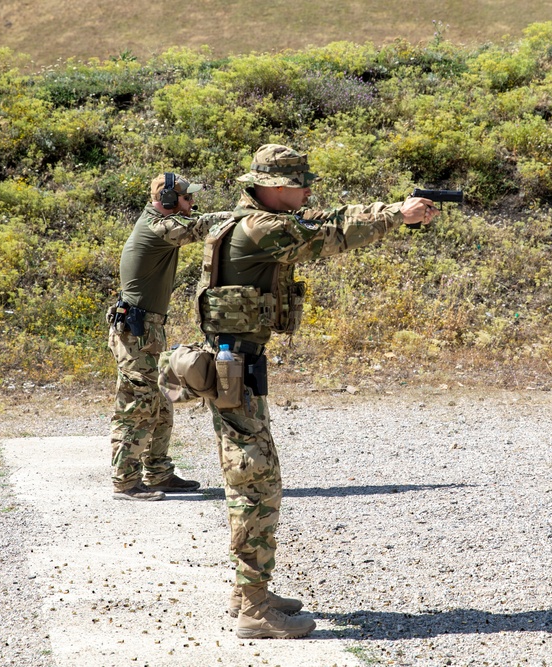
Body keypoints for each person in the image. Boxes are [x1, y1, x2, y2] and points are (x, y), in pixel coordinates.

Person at [195, 144, 438, 638]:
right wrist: (397, 214)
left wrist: (394, 211)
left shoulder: (252, 220)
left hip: (236, 367)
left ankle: (249, 592)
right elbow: (331, 231)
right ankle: (254, 610)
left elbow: (326, 216)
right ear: (273, 187)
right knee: (256, 486)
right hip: (234, 371)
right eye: (300, 182)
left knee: (254, 480)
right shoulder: (264, 229)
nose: (308, 189)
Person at [108, 172, 229, 501]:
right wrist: (243, 217)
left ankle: (159, 473)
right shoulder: (157, 225)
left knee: (161, 403)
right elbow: (199, 228)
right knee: (139, 406)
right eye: (187, 198)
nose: (192, 203)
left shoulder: (161, 223)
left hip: (146, 330)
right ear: (167, 201)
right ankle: (125, 481)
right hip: (136, 332)